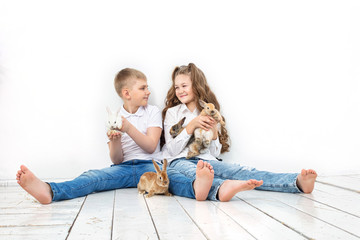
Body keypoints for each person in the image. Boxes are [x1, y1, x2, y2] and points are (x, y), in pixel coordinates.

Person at [16, 68, 214, 204]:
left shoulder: (152, 111)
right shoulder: (115, 118)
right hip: (124, 168)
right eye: (143, 88)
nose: (148, 91)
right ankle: (50, 191)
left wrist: (127, 129)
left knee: (174, 179)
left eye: (147, 87)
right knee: (93, 177)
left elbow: (152, 146)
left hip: (150, 167)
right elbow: (117, 159)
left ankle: (198, 188)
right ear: (127, 93)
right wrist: (115, 142)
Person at [162, 63, 317, 202]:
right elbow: (172, 150)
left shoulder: (210, 111)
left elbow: (215, 152)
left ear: (196, 86)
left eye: (184, 86)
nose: (180, 91)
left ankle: (295, 182)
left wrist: (214, 132)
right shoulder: (172, 113)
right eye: (177, 87)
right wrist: (191, 125)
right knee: (195, 175)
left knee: (241, 171)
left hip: (207, 160)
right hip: (180, 161)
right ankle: (223, 187)